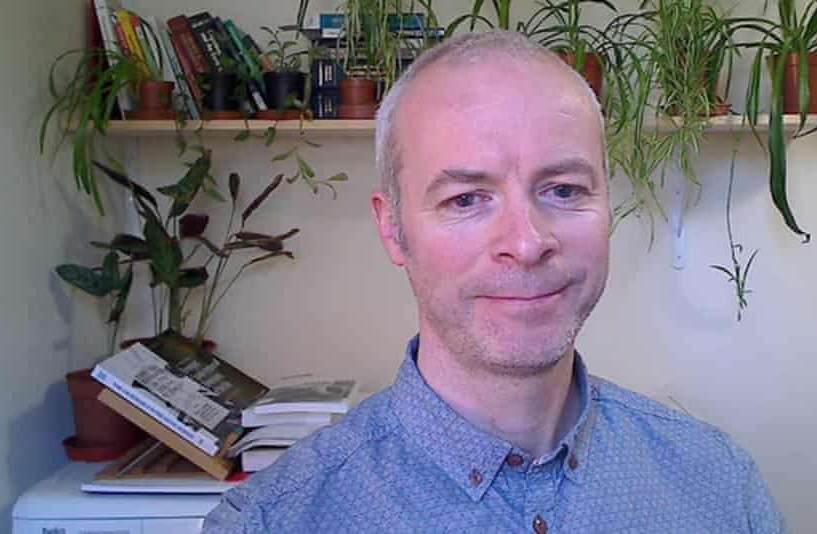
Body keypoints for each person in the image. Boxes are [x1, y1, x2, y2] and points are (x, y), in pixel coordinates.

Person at [203, 30, 787, 533]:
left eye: (564, 189)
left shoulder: (719, 486)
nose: (528, 242)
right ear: (393, 229)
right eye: (466, 199)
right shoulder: (274, 520)